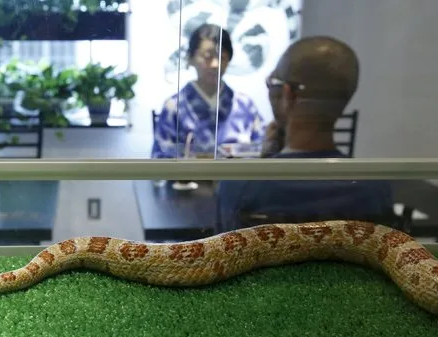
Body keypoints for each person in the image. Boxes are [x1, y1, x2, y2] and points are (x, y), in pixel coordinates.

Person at [216, 35, 393, 231]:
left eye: (272, 83)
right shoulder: (375, 189)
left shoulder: (238, 185)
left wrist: (263, 163)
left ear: (288, 95)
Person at [151, 23, 265, 159]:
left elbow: (262, 151)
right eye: (207, 56)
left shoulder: (245, 105)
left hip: (238, 180)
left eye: (222, 57)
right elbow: (160, 159)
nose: (215, 64)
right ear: (191, 58)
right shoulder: (174, 107)